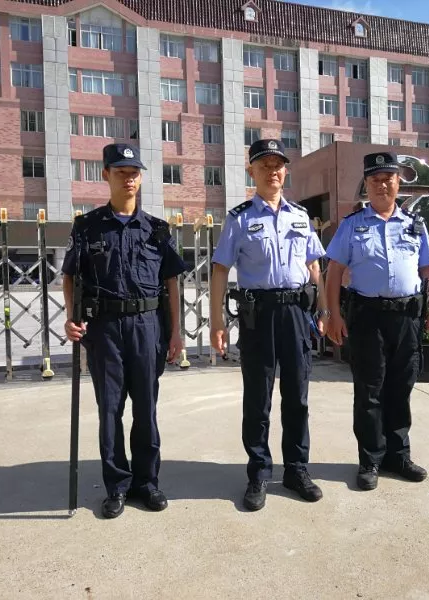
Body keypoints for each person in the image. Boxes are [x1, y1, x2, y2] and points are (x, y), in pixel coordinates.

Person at [63, 143, 186, 519]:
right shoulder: (87, 227)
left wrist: (176, 332)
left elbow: (172, 283)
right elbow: (69, 276)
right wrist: (71, 317)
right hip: (104, 329)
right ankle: (117, 485)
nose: (129, 179)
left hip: (147, 327)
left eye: (134, 173)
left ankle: (147, 483)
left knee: (146, 410)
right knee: (110, 410)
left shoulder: (156, 229)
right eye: (121, 172)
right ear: (106, 175)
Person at [209, 139, 328, 511]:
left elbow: (314, 265)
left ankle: (296, 470)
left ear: (285, 171)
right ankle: (259, 473)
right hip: (258, 316)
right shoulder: (240, 218)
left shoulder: (300, 216)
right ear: (252, 172)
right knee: (258, 399)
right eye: (264, 166)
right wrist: (217, 322)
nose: (272, 171)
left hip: (296, 314)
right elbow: (220, 269)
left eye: (278, 165)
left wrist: (324, 310)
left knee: (297, 397)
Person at [324, 151, 429, 492]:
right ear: (367, 184)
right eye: (375, 180)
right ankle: (370, 460)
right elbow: (334, 273)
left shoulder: (414, 224)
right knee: (369, 391)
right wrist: (333, 314)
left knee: (401, 388)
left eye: (388, 179)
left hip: (406, 318)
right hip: (368, 318)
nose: (382, 185)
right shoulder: (351, 225)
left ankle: (398, 456)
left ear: (398, 183)